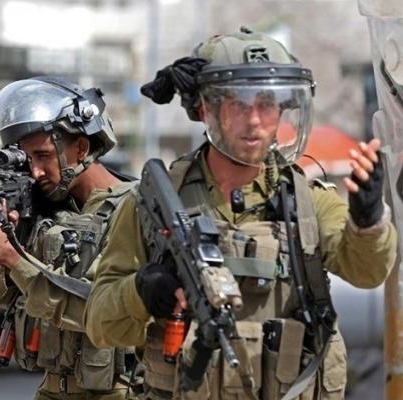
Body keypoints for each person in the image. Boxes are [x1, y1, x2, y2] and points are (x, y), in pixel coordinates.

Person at [84, 27, 397, 400]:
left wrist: (367, 219)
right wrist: (141, 291)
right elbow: (99, 325)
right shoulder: (154, 205)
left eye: (267, 104)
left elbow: (368, 272)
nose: (255, 121)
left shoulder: (308, 203)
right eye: (239, 104)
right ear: (205, 109)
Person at [0, 76, 136, 400]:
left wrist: (13, 258)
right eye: (28, 159)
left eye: (43, 155)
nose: (35, 172)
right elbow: (4, 299)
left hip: (118, 392)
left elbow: (97, 309)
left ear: (81, 148)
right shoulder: (51, 210)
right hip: (53, 388)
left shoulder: (131, 209)